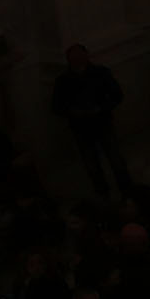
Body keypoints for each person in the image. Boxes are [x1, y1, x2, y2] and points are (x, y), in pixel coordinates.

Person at [50, 42, 129, 197]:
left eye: (79, 54)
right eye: (74, 55)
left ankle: (126, 191)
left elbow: (117, 95)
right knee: (92, 165)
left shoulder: (100, 73)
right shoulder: (63, 81)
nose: (77, 58)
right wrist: (73, 112)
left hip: (102, 123)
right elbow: (56, 106)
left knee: (115, 160)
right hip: (81, 128)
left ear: (86, 55)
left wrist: (101, 108)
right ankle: (104, 194)